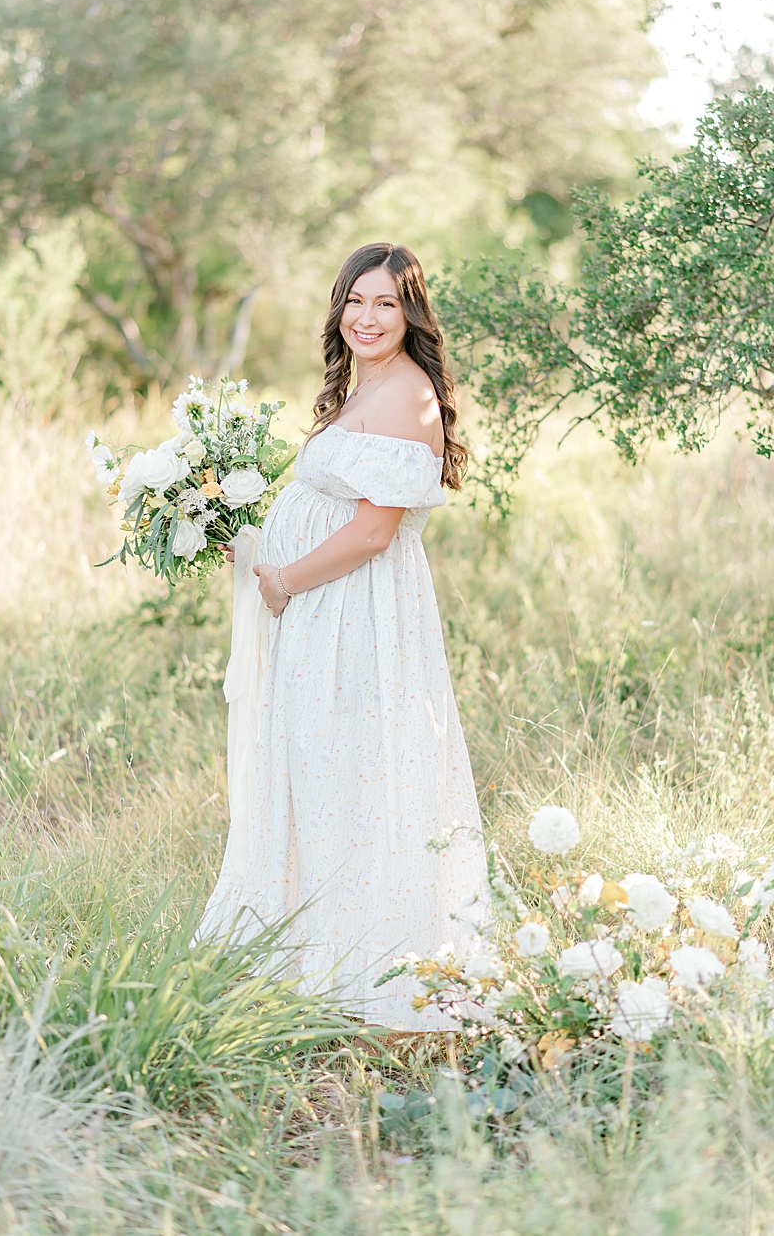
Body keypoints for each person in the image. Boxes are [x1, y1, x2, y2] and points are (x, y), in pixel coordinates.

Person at [197, 241, 488, 1031]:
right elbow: (329, 507)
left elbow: (370, 532)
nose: (367, 317)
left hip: (355, 611)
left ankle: (365, 966)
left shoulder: (409, 396)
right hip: (322, 610)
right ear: (339, 308)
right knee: (319, 775)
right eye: (355, 301)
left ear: (411, 313)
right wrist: (246, 538)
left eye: (386, 303)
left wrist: (287, 579)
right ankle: (309, 949)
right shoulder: (364, 386)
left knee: (355, 773)